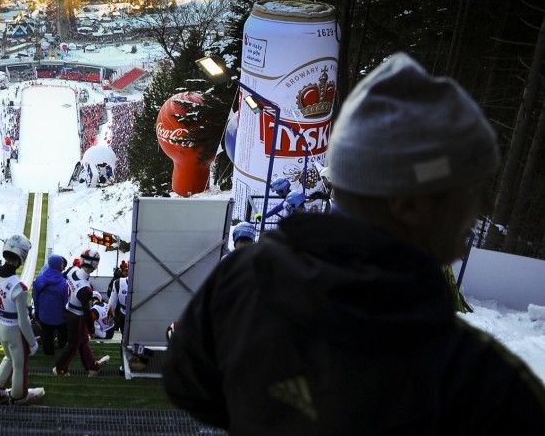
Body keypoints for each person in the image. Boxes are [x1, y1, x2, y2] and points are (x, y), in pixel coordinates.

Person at [163, 53, 545, 434]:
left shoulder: (241, 285)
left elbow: (188, 386)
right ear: (408, 203)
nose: (486, 207)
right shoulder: (481, 384)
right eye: (470, 189)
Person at [0, 234, 44, 405]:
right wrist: (32, 343)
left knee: (8, 357)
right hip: (13, 329)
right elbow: (23, 321)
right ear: (22, 257)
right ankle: (18, 396)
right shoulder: (19, 287)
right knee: (19, 364)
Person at [53, 248, 109, 377]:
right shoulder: (86, 289)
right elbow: (87, 312)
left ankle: (91, 367)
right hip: (76, 317)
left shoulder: (73, 270)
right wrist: (92, 330)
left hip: (68, 309)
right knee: (73, 344)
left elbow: (64, 277)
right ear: (95, 264)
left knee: (83, 340)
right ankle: (60, 368)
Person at [32, 254, 69, 356]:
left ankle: (48, 354)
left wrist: (38, 312)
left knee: (47, 337)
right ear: (59, 265)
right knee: (63, 335)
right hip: (60, 317)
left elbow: (35, 298)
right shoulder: (64, 283)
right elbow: (66, 303)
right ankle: (63, 352)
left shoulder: (39, 279)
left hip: (44, 316)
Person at [107, 272, 129, 336]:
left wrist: (111, 317)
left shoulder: (118, 282)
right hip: (138, 315)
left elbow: (111, 304)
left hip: (124, 315)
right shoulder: (118, 283)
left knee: (125, 339)